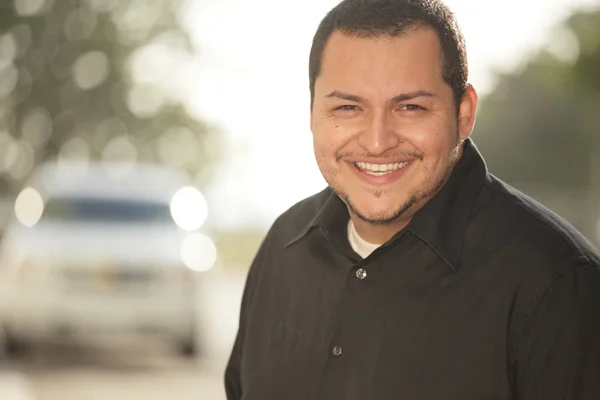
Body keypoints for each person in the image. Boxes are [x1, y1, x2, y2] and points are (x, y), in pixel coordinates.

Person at [224, 0, 600, 398]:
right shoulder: (282, 247)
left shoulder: (558, 286)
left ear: (464, 113)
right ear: (313, 112)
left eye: (410, 107)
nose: (377, 141)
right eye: (348, 107)